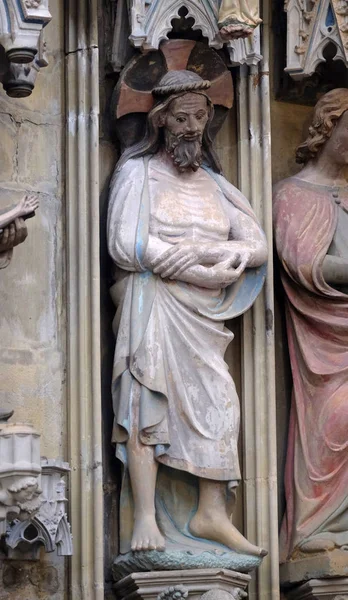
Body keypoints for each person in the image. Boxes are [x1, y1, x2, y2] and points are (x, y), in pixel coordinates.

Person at [108, 70, 267, 557]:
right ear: (161, 122)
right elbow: (123, 241)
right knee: (144, 400)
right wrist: (180, 259)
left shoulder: (217, 185)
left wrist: (224, 255)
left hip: (203, 315)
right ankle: (146, 517)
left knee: (222, 401)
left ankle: (211, 512)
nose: (193, 126)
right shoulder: (138, 174)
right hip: (154, 301)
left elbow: (257, 244)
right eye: (182, 117)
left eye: (201, 116)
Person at [274, 88, 348, 561]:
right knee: (335, 422)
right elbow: (305, 264)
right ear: (327, 128)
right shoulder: (293, 194)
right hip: (327, 337)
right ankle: (311, 524)